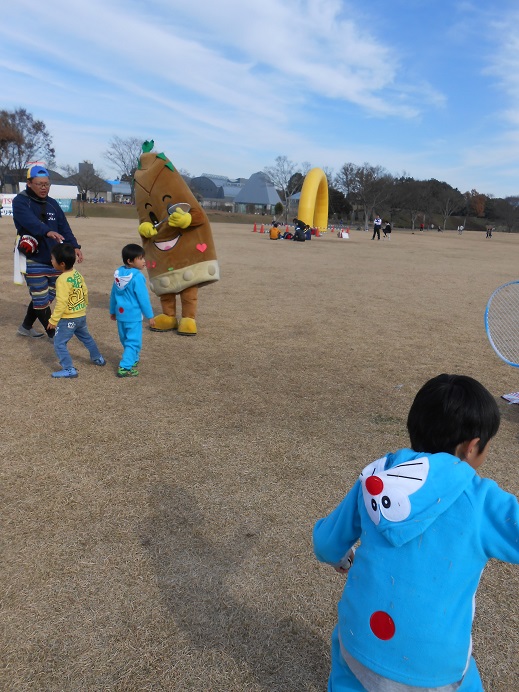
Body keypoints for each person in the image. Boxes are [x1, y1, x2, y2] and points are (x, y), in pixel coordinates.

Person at [313, 373, 519, 691]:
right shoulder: (481, 500)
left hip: (359, 646)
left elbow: (327, 545)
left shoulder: (376, 476)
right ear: (472, 447)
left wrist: (343, 557)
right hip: (435, 671)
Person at [12, 165, 83, 339]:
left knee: (47, 297)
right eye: (39, 184)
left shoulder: (52, 203)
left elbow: (64, 227)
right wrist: (46, 231)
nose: (44, 187)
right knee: (40, 298)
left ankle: (25, 327)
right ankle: (54, 335)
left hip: (54, 259)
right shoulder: (20, 201)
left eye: (47, 184)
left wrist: (75, 246)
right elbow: (28, 221)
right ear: (29, 183)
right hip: (33, 258)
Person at [47, 243, 105, 378]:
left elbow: (61, 302)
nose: (51, 261)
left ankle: (68, 369)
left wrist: (54, 319)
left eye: (52, 259)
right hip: (80, 315)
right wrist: (84, 305)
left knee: (59, 343)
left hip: (68, 318)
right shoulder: (77, 274)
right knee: (87, 338)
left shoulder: (62, 279)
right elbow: (84, 290)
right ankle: (98, 358)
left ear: (61, 264)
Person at [110, 243, 156, 378]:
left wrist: (112, 310)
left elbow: (113, 294)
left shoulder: (118, 274)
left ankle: (133, 358)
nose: (144, 262)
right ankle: (125, 367)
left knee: (125, 338)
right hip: (133, 315)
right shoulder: (137, 276)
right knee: (134, 341)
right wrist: (150, 315)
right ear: (130, 261)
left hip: (121, 314)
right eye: (140, 259)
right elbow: (143, 298)